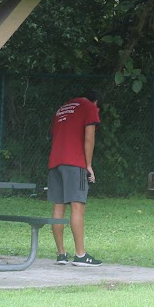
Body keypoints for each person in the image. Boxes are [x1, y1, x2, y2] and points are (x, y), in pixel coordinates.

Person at [49, 91, 103, 265]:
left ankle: (61, 254)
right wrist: (88, 165)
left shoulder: (62, 109)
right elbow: (89, 138)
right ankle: (80, 255)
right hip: (75, 162)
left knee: (58, 206)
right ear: (95, 101)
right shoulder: (90, 107)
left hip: (55, 161)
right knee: (77, 207)